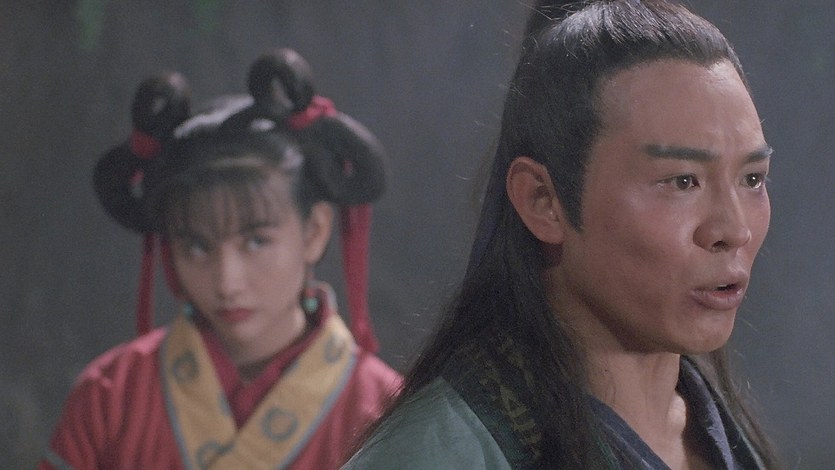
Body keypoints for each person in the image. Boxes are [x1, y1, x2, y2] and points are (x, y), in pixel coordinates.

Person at [343, 0, 781, 468]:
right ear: (543, 201)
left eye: (752, 179)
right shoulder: (437, 455)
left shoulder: (720, 435)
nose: (734, 230)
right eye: (682, 181)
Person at [40, 48, 401, 470]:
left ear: (315, 231)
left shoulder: (385, 414)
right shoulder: (109, 396)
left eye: (256, 242)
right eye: (196, 247)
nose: (226, 282)